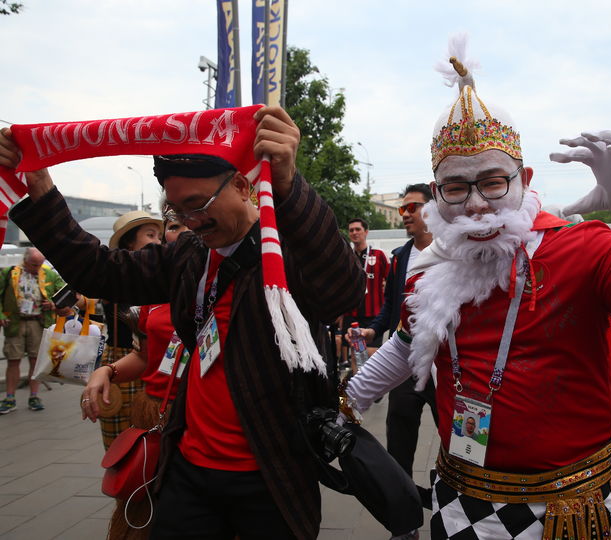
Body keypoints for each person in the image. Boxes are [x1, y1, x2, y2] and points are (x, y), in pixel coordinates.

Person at [343, 39, 611, 540]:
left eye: (494, 182)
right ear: (436, 197)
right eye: (457, 189)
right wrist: (344, 402)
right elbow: (404, 348)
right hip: (460, 498)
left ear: (524, 179)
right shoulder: (429, 272)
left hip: (568, 511)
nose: (478, 205)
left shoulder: (584, 248)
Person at [0, 105, 364, 539]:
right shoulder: (190, 255)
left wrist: (287, 183)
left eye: (198, 205)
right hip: (188, 466)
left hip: (270, 473)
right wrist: (39, 186)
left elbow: (343, 290)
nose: (190, 222)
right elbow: (101, 271)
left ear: (244, 185)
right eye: (177, 212)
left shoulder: (286, 252)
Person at [81, 212, 188, 539]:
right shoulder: (155, 292)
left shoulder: (228, 284)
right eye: (173, 225)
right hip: (155, 414)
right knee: (144, 511)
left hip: (204, 420)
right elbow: (145, 355)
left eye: (190, 221)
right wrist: (108, 370)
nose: (181, 232)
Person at [351, 183, 439, 505]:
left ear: (432, 210)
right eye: (402, 208)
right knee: (399, 439)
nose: (405, 214)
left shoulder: (454, 253)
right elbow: (391, 307)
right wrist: (373, 333)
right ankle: (403, 511)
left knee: (456, 439)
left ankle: (447, 498)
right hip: (404, 363)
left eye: (412, 207)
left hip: (444, 370)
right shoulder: (400, 256)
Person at [96, 210, 164, 451]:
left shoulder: (164, 277)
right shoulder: (111, 278)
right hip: (120, 360)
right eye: (149, 235)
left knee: (151, 442)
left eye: (159, 235)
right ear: (129, 243)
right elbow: (86, 300)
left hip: (156, 367)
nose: (157, 241)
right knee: (120, 441)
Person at [0, 247, 65, 414]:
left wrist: (53, 304)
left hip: (39, 322)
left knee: (36, 361)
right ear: (25, 261)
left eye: (40, 264)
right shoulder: (9, 273)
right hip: (16, 321)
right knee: (13, 360)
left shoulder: (49, 274)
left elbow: (63, 292)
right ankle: (9, 398)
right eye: (33, 264)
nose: (37, 268)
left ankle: (34, 396)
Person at [343, 218, 389, 358]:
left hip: (373, 315)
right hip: (352, 314)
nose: (354, 233)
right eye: (351, 230)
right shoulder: (346, 256)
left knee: (372, 353)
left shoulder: (378, 255)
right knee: (356, 352)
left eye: (358, 229)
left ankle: (373, 379)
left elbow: (390, 281)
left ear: (366, 232)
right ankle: (356, 379)